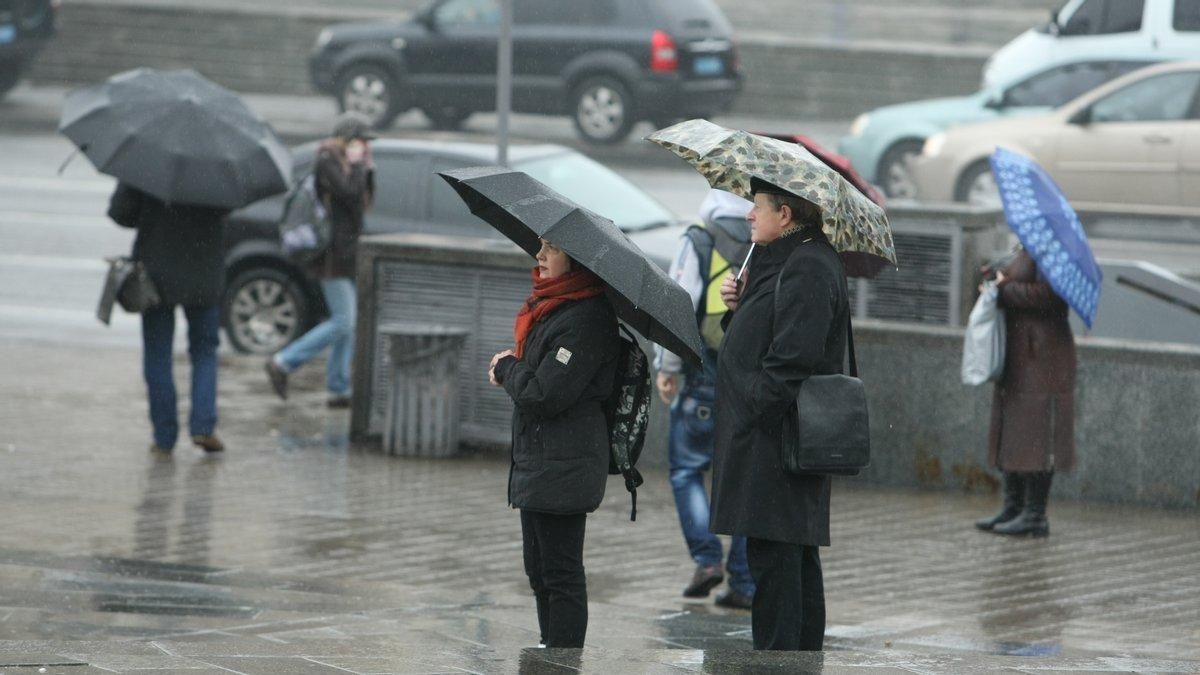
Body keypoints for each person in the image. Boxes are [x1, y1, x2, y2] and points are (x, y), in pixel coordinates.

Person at [712, 177, 849, 651]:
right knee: (786, 556)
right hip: (773, 434)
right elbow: (767, 330)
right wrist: (740, 304)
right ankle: (795, 658)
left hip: (778, 438)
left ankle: (781, 660)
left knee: (779, 562)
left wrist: (756, 405)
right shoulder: (786, 258)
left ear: (785, 215)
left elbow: (794, 354)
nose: (749, 214)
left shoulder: (807, 264)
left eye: (758, 207)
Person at [488, 238, 620, 648]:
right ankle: (550, 650)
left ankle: (563, 661)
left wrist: (507, 368)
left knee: (560, 573)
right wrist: (515, 369)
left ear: (576, 259)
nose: (540, 256)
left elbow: (546, 393)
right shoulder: (550, 307)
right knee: (539, 569)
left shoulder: (586, 318)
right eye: (541, 246)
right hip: (540, 458)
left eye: (553, 249)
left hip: (566, 461)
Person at [655, 189, 756, 608]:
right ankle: (745, 581)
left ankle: (707, 558)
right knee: (745, 480)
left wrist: (667, 367)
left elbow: (677, 305)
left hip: (704, 372)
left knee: (687, 469)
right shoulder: (761, 240)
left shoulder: (700, 237)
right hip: (748, 376)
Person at [107, 183, 230, 454]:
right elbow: (229, 208)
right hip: (204, 271)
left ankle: (164, 436)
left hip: (156, 273)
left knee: (158, 353)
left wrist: (150, 212)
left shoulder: (147, 166)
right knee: (205, 350)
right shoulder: (218, 168)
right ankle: (203, 425)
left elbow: (120, 212)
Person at [265, 112, 375, 408]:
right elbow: (349, 194)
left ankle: (338, 388)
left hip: (346, 254)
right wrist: (358, 166)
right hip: (331, 256)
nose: (366, 147)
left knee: (349, 323)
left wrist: (363, 167)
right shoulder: (328, 161)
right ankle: (283, 362)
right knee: (344, 321)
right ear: (347, 139)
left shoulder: (349, 164)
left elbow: (363, 201)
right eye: (361, 141)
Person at [974, 247, 1075, 537]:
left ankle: (1034, 514)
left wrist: (1005, 287)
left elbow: (1050, 295)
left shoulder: (1056, 252)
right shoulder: (1029, 248)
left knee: (1036, 434)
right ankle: (1013, 506)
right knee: (1013, 430)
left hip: (1042, 357)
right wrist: (995, 277)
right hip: (1020, 354)